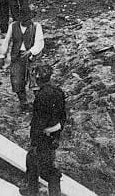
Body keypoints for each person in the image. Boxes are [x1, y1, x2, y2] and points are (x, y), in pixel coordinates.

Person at [21, 64, 66, 196]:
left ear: (38, 79)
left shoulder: (41, 96)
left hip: (43, 136)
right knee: (33, 161)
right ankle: (31, 191)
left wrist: (35, 139)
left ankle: (40, 192)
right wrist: (57, 130)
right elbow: (63, 115)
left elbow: (38, 121)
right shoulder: (58, 91)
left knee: (46, 169)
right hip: (54, 134)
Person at [0, 12, 44, 109]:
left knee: (35, 79)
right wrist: (2, 55)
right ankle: (24, 102)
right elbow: (6, 41)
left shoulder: (36, 26)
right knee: (17, 79)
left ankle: (39, 103)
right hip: (17, 56)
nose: (26, 22)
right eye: (24, 20)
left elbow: (39, 42)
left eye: (28, 20)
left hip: (32, 56)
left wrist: (31, 51)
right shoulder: (13, 26)